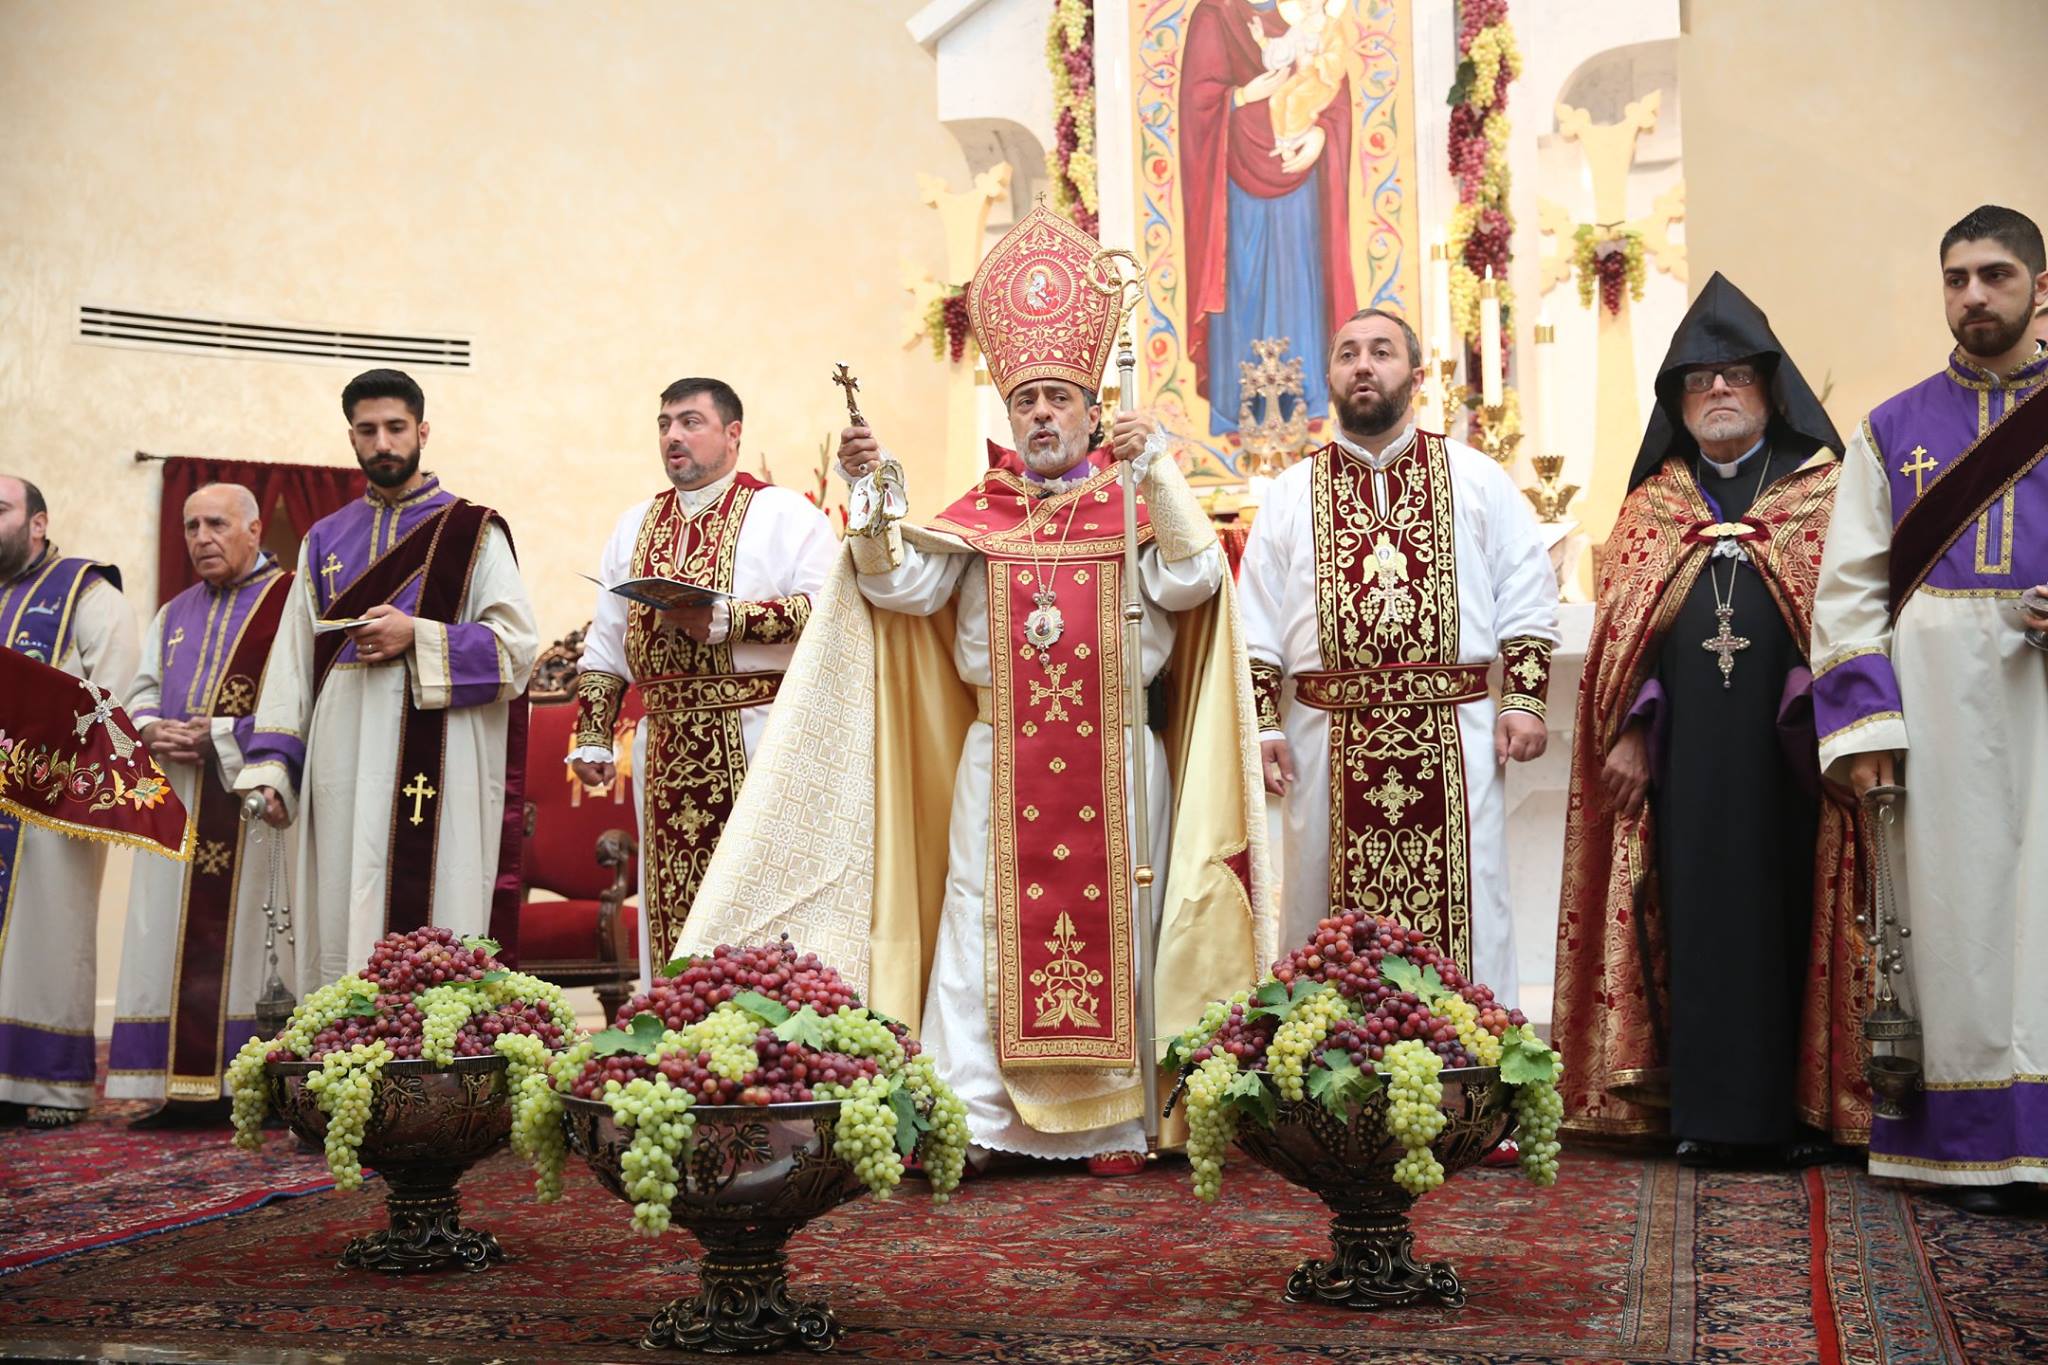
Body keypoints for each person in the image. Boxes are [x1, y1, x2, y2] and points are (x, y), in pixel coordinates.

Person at [681, 204, 1273, 1176]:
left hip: (1117, 755)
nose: (1040, 413)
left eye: (1058, 398)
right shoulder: (977, 519)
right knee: (977, 928)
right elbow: (893, 584)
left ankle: (1115, 1125)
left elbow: (1194, 582)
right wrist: (875, 500)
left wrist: (1157, 467)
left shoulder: (1131, 507)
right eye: (1025, 398)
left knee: (1120, 927)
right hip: (998, 758)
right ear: (1008, 414)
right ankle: (974, 1118)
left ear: (1090, 410)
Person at [1552, 274, 1868, 1164]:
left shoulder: (1823, 494)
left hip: (1795, 768)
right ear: (1678, 401)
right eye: (1698, 379)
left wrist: (1820, 709)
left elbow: (1850, 620)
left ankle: (1796, 1111)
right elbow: (1626, 647)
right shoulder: (1656, 506)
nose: (1718, 391)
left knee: (1790, 917)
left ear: (1772, 389)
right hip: (1682, 767)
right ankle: (1691, 1111)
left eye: (1735, 375)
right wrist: (1634, 728)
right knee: (1688, 917)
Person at [1812, 204, 2048, 1215]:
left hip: (2040, 702)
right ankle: (1962, 1147)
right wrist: (1867, 731)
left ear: (2038, 286)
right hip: (1934, 718)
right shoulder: (1889, 428)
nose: (1971, 297)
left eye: (1993, 275)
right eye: (1954, 278)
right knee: (1951, 924)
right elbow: (1845, 589)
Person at [1238, 309, 1558, 999]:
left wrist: (1526, 700)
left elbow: (1527, 586)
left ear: (1413, 375)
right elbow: (1255, 617)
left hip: (1457, 733)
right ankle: (1330, 1073)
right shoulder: (1292, 494)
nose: (1362, 365)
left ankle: (1471, 1077)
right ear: (1326, 377)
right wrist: (1264, 722)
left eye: (1380, 352)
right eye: (1348, 353)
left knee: (1473, 904)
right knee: (1321, 910)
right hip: (1327, 739)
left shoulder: (1474, 477)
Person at [237, 369, 538, 987]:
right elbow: (294, 661)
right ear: (351, 438)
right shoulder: (323, 540)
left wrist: (418, 636)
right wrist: (272, 767)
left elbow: (516, 649)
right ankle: (345, 1054)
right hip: (341, 761)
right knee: (344, 904)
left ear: (422, 431)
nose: (383, 443)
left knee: (437, 910)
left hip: (442, 756)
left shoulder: (473, 531)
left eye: (396, 428)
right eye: (368, 430)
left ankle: (442, 1059)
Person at [568, 378, 838, 978]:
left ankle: (771, 1046)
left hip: (760, 736)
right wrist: (592, 734)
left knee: (757, 904)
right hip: (664, 743)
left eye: (690, 422)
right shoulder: (634, 525)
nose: (673, 437)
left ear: (733, 434)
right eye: (664, 424)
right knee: (673, 914)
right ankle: (674, 1041)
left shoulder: (786, 514)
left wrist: (725, 619)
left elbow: (829, 615)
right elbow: (606, 643)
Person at [107, 483, 294, 1124]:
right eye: (190, 526)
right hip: (181, 796)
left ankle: (249, 1087)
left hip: (252, 796)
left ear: (252, 528)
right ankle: (180, 1086)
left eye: (216, 523)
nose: (201, 538)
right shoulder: (174, 612)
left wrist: (220, 734)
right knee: (166, 933)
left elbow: (300, 703)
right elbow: (141, 694)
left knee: (250, 941)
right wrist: (152, 727)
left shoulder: (289, 602)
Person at [0, 475, 140, 1126]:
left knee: (50, 937)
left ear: (37, 522)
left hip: (49, 799)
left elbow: (114, 691)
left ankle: (50, 1083)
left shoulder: (87, 591)